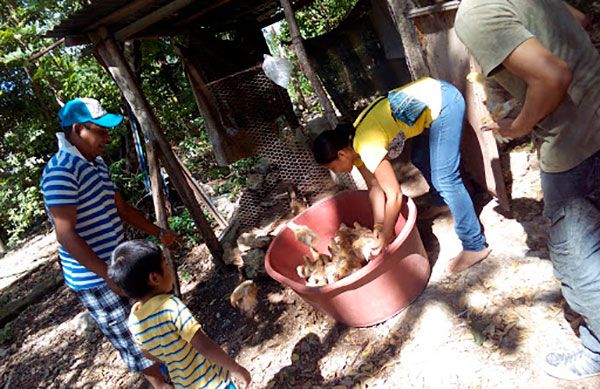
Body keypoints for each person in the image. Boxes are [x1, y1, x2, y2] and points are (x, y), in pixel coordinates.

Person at [455, 0, 600, 380]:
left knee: (576, 261)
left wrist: (518, 127)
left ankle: (597, 350)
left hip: (573, 141)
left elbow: (552, 77)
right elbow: (579, 21)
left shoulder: (472, 15)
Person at [41, 97, 178, 388]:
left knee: (151, 319)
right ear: (78, 130)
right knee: (129, 334)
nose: (107, 137)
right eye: (99, 130)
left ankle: (175, 370)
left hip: (119, 263)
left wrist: (157, 233)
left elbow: (121, 208)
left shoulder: (96, 163)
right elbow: (65, 235)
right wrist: (108, 275)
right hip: (95, 277)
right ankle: (161, 384)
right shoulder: (61, 172)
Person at [312, 77, 490, 272]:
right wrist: (379, 225)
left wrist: (388, 232)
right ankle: (442, 202)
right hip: (429, 104)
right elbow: (374, 187)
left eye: (332, 167)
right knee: (420, 156)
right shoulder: (353, 144)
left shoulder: (366, 145)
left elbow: (394, 195)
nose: (334, 172)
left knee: (446, 178)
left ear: (341, 154)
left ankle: (474, 245)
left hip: (444, 102)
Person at [108, 240, 252, 389]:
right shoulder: (170, 306)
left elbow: (148, 354)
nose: (169, 267)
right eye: (165, 264)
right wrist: (236, 369)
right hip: (213, 381)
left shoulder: (134, 319)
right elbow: (203, 345)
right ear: (155, 278)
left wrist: (173, 356)